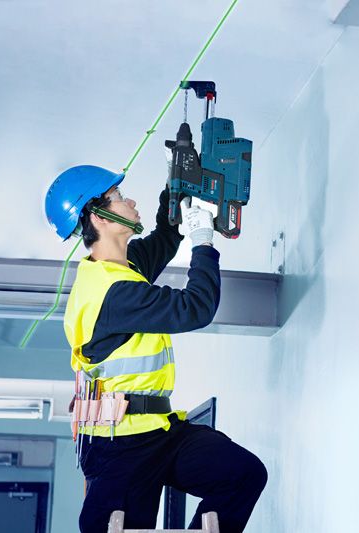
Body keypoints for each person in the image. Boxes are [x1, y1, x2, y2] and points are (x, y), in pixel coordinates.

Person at [44, 165, 267, 533]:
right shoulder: (110, 293)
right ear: (97, 216)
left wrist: (176, 177)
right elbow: (196, 308)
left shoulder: (121, 269)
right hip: (120, 447)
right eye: (118, 197)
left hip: (158, 431)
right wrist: (203, 243)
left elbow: (165, 236)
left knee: (242, 474)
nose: (130, 200)